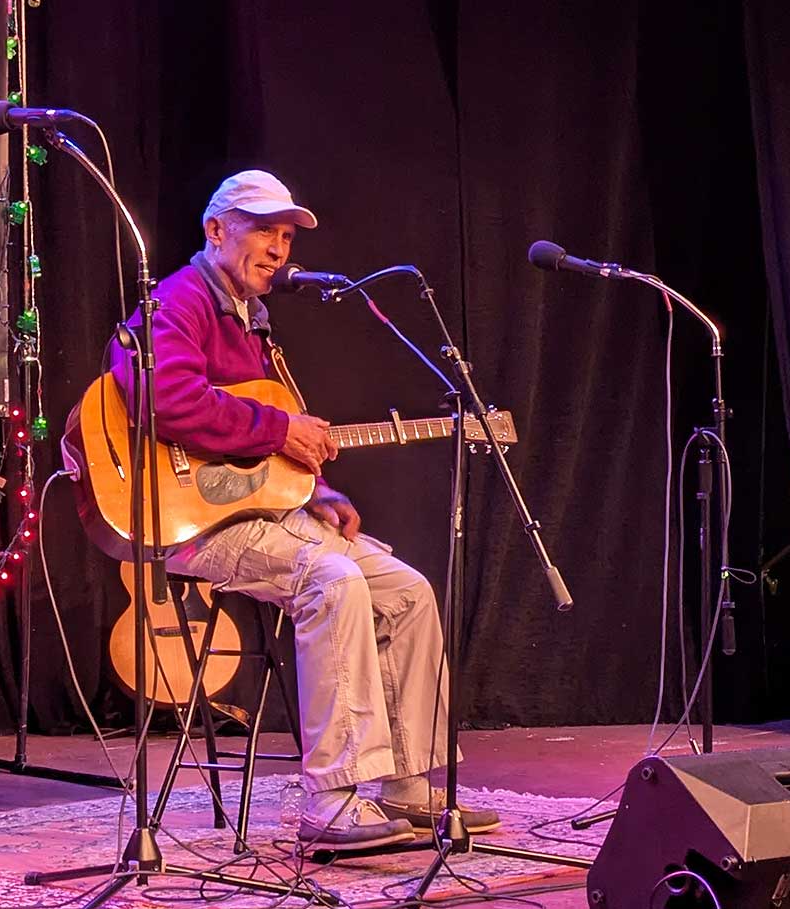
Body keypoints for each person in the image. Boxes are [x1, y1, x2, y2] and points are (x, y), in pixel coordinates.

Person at [109, 170, 499, 850]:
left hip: (261, 515)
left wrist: (316, 489)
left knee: (408, 592)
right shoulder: (179, 300)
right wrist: (279, 430)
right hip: (197, 523)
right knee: (334, 580)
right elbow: (165, 399)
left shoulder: (254, 323)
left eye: (286, 236)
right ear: (215, 230)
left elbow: (260, 447)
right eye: (264, 230)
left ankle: (405, 784)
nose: (278, 249)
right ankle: (332, 802)